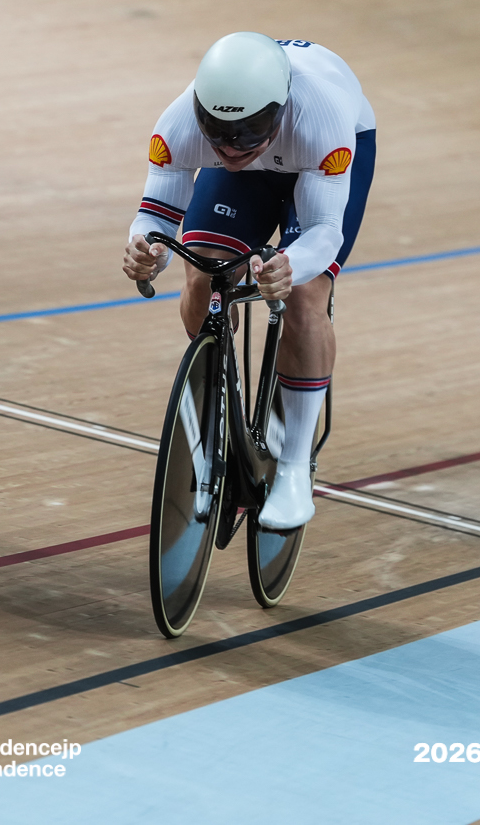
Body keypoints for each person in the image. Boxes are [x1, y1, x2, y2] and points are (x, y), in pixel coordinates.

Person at [120, 34, 376, 530]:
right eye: (217, 132)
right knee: (204, 273)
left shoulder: (321, 117)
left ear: (278, 111)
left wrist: (290, 264)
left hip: (317, 155)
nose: (232, 146)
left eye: (248, 132)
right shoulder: (178, 125)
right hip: (264, 164)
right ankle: (219, 393)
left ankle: (295, 468)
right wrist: (145, 249)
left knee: (303, 294)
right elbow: (155, 215)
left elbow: (324, 231)